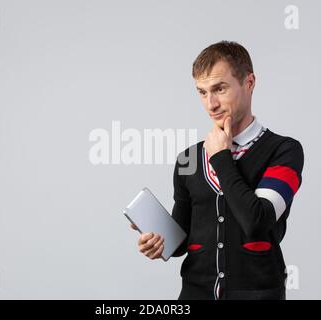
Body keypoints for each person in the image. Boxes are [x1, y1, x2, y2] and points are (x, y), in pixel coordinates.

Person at [130, 41, 304, 300]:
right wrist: (160, 241)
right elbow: (184, 240)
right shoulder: (188, 159)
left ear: (249, 82)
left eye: (219, 89)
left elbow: (257, 222)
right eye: (202, 92)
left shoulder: (284, 150)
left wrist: (221, 157)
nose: (210, 104)